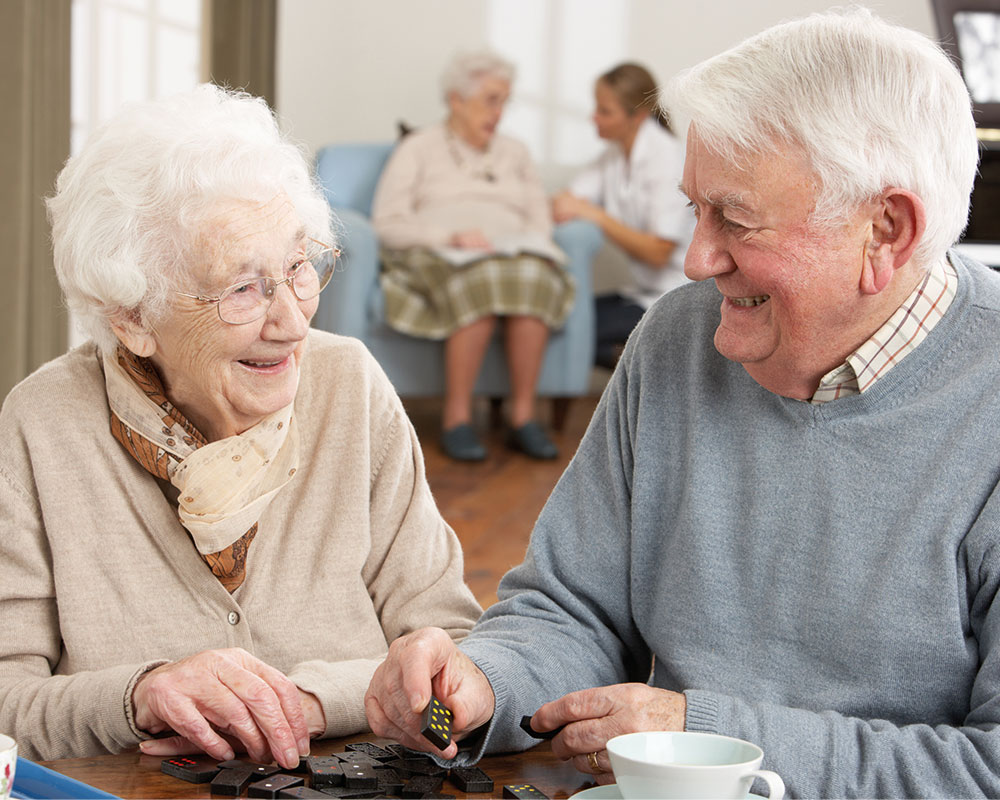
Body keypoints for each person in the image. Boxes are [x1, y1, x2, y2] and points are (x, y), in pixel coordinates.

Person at [364, 9, 1000, 797]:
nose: (697, 260)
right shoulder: (676, 338)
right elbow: (572, 609)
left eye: (734, 218)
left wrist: (708, 738)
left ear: (886, 230)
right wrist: (485, 683)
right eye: (695, 209)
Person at [0, 84, 482, 764]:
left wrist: (308, 704)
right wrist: (138, 696)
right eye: (242, 288)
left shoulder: (349, 386)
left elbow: (452, 653)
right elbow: (5, 701)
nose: (291, 322)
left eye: (297, 268)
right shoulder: (42, 423)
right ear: (132, 317)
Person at [372, 51, 574, 462]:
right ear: (456, 100)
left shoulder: (515, 152)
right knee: (479, 281)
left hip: (510, 252)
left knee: (534, 278)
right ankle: (457, 418)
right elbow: (387, 222)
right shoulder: (418, 147)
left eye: (505, 101)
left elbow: (539, 218)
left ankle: (522, 418)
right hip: (442, 251)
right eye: (490, 100)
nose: (499, 112)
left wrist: (534, 246)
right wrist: (450, 236)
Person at [552, 62, 693, 370]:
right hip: (642, 293)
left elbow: (658, 252)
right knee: (559, 317)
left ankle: (648, 368)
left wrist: (597, 216)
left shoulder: (666, 158)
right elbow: (566, 201)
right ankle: (640, 364)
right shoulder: (614, 155)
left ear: (637, 115)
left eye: (605, 111)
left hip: (677, 294)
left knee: (575, 332)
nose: (594, 117)